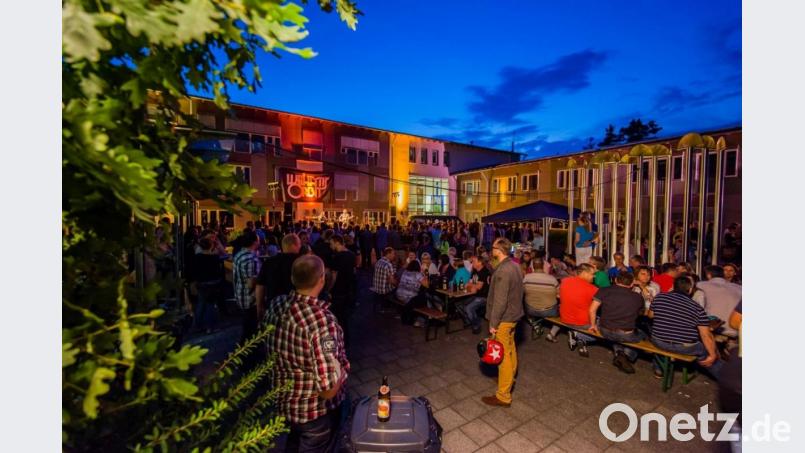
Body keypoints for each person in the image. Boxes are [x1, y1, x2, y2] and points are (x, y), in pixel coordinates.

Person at [263, 255, 349, 452]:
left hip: (286, 402)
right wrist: (343, 368)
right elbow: (328, 389)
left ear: (293, 279)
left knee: (293, 443)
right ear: (321, 280)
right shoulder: (321, 323)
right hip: (314, 413)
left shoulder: (276, 304)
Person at [648, 275, 722, 378]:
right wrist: (712, 355)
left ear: (673, 286)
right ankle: (730, 381)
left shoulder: (659, 297)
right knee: (708, 351)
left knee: (657, 332)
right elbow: (705, 335)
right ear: (690, 289)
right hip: (684, 347)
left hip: (658, 341)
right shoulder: (696, 308)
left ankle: (659, 370)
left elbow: (650, 315)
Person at [481, 238, 524, 407]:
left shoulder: (504, 270)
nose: (491, 250)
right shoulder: (514, 265)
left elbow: (500, 300)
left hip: (504, 318)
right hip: (514, 315)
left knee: (503, 355)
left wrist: (494, 322)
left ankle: (503, 395)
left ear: (498, 250)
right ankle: (508, 379)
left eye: (493, 247)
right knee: (511, 349)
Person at [589, 271, 645, 374]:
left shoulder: (604, 290)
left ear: (615, 280)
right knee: (643, 334)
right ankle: (626, 355)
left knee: (616, 334)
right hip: (625, 335)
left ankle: (619, 352)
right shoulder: (637, 297)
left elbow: (592, 310)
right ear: (632, 284)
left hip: (604, 330)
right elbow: (641, 313)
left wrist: (593, 325)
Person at [232, 231, 262, 367]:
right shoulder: (250, 258)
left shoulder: (239, 254)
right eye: (258, 239)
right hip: (249, 298)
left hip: (240, 294)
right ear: (254, 242)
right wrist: (261, 279)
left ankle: (242, 357)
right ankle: (246, 359)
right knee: (250, 330)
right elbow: (251, 283)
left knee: (247, 328)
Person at [255, 233, 301, 320]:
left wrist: (259, 306)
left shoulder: (269, 262)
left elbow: (260, 286)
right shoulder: (301, 262)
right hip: (295, 308)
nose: (300, 247)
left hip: (273, 306)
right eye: (299, 245)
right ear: (294, 245)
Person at [558, 263, 599, 357]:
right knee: (603, 334)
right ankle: (578, 335)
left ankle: (577, 336)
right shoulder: (593, 289)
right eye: (592, 274)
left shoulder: (565, 281)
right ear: (584, 273)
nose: (594, 276)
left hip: (564, 319)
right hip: (582, 323)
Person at [698, 265, 742, 338]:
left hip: (715, 331)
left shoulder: (700, 286)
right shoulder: (740, 288)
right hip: (736, 332)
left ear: (708, 275)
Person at [329, 235, 357, 344]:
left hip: (338, 290)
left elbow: (334, 275)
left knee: (338, 317)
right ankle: (346, 339)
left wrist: (329, 289)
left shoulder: (337, 257)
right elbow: (354, 271)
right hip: (348, 289)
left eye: (331, 243)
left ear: (337, 242)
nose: (331, 246)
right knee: (345, 317)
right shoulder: (351, 255)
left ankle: (341, 341)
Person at [193, 237, 224, 333]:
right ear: (211, 246)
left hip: (201, 282)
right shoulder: (214, 257)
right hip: (213, 282)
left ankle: (197, 326)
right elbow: (217, 271)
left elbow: (195, 271)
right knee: (211, 305)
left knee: (201, 304)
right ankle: (210, 327)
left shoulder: (197, 257)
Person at [523, 257, 560, 339]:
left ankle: (534, 323)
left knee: (524, 303)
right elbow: (559, 295)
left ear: (532, 266)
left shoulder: (526, 278)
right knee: (562, 312)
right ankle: (552, 334)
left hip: (530, 309)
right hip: (549, 311)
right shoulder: (552, 279)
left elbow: (523, 292)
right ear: (543, 266)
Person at [461, 255, 492, 334]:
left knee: (468, 308)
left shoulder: (485, 272)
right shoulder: (475, 271)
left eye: (474, 261)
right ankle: (469, 320)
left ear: (480, 262)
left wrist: (471, 285)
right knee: (459, 304)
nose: (472, 263)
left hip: (483, 297)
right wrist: (471, 285)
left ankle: (476, 325)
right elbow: (469, 283)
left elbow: (478, 286)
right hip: (475, 295)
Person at [396, 260, 430, 326]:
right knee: (424, 298)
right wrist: (425, 273)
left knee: (420, 295)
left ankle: (417, 316)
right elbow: (427, 285)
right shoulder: (417, 274)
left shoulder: (405, 272)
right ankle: (423, 317)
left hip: (398, 295)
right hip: (408, 298)